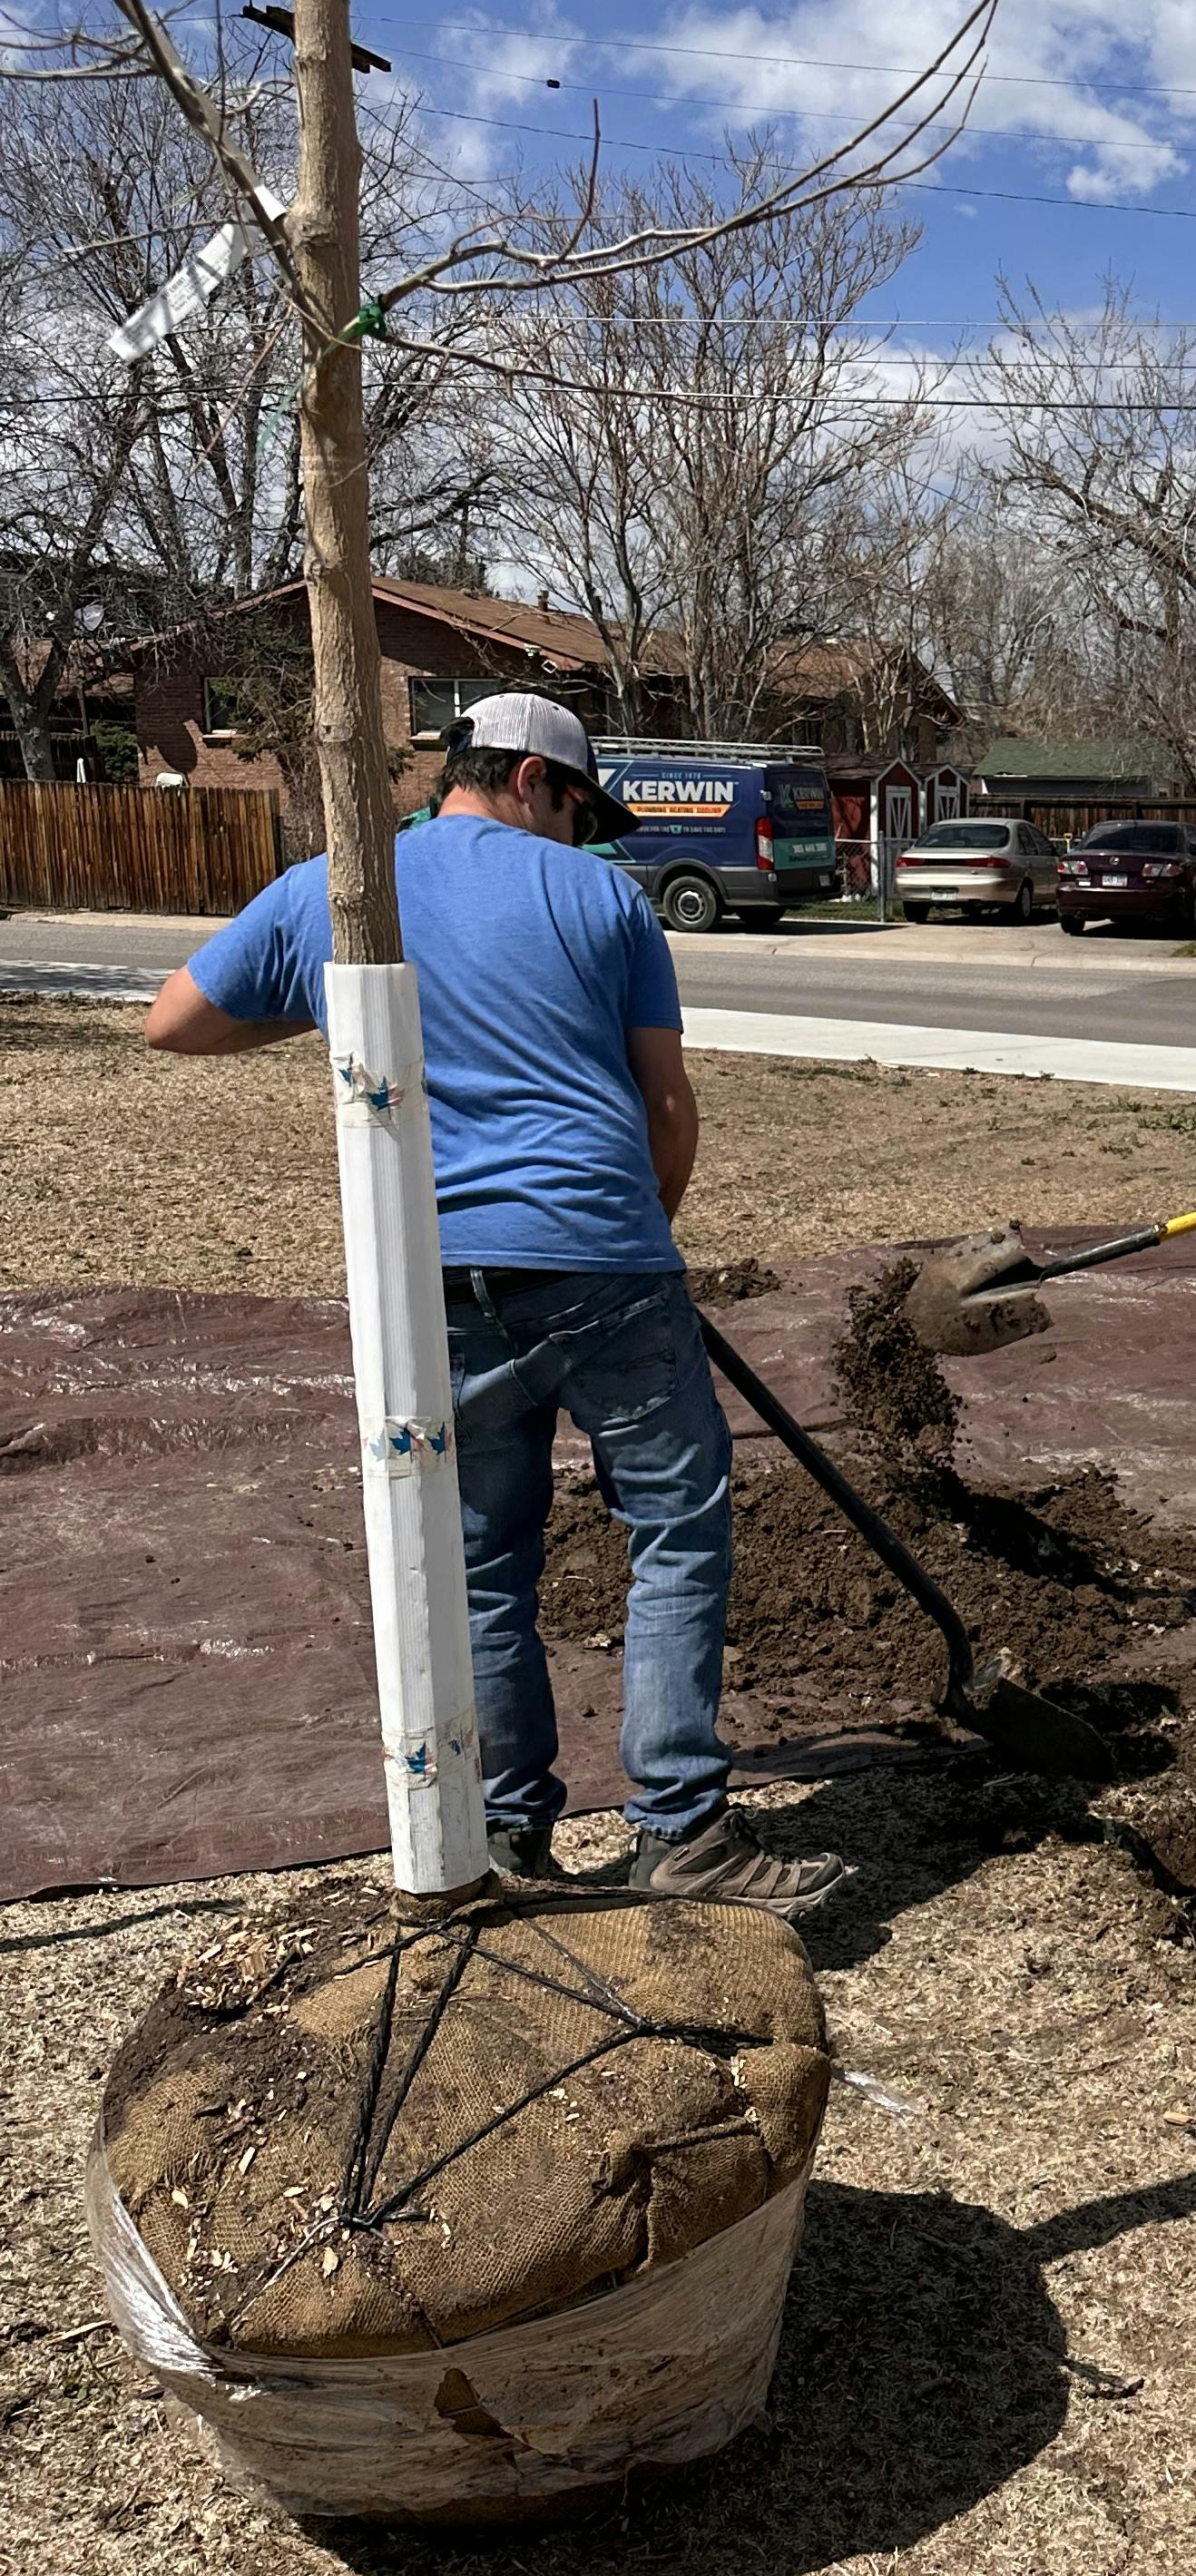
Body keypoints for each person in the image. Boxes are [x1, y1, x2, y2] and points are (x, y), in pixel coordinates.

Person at [143, 692, 846, 1922]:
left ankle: (507, 1829)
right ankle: (680, 1832)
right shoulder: (603, 900)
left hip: (438, 1284)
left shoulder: (340, 890)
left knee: (480, 1566)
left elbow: (175, 1023)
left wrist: (335, 999)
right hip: (603, 1261)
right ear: (532, 778)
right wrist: (639, 1240)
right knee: (676, 1529)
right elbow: (666, 1107)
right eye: (580, 808)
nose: (584, 835)